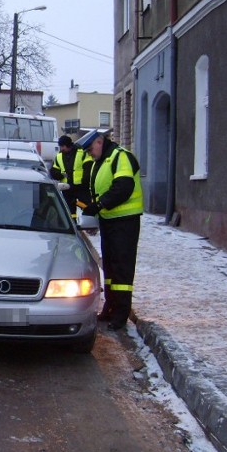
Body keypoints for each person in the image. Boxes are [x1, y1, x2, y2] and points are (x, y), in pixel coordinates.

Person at [76, 129, 143, 330]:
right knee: (111, 268)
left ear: (99, 141)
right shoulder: (102, 162)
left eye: (90, 149)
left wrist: (99, 205)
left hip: (125, 222)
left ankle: (121, 313)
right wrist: (94, 213)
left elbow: (123, 187)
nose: (89, 153)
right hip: (109, 221)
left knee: (122, 268)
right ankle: (110, 307)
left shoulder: (121, 157)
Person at [50, 135, 87, 221]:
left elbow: (88, 168)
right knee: (70, 209)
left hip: (80, 187)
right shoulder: (59, 156)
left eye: (63, 146)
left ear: (68, 145)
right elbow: (53, 171)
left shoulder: (81, 153)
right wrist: (61, 175)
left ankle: (89, 223)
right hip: (66, 188)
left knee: (85, 206)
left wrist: (85, 182)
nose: (61, 149)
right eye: (60, 146)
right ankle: (73, 223)